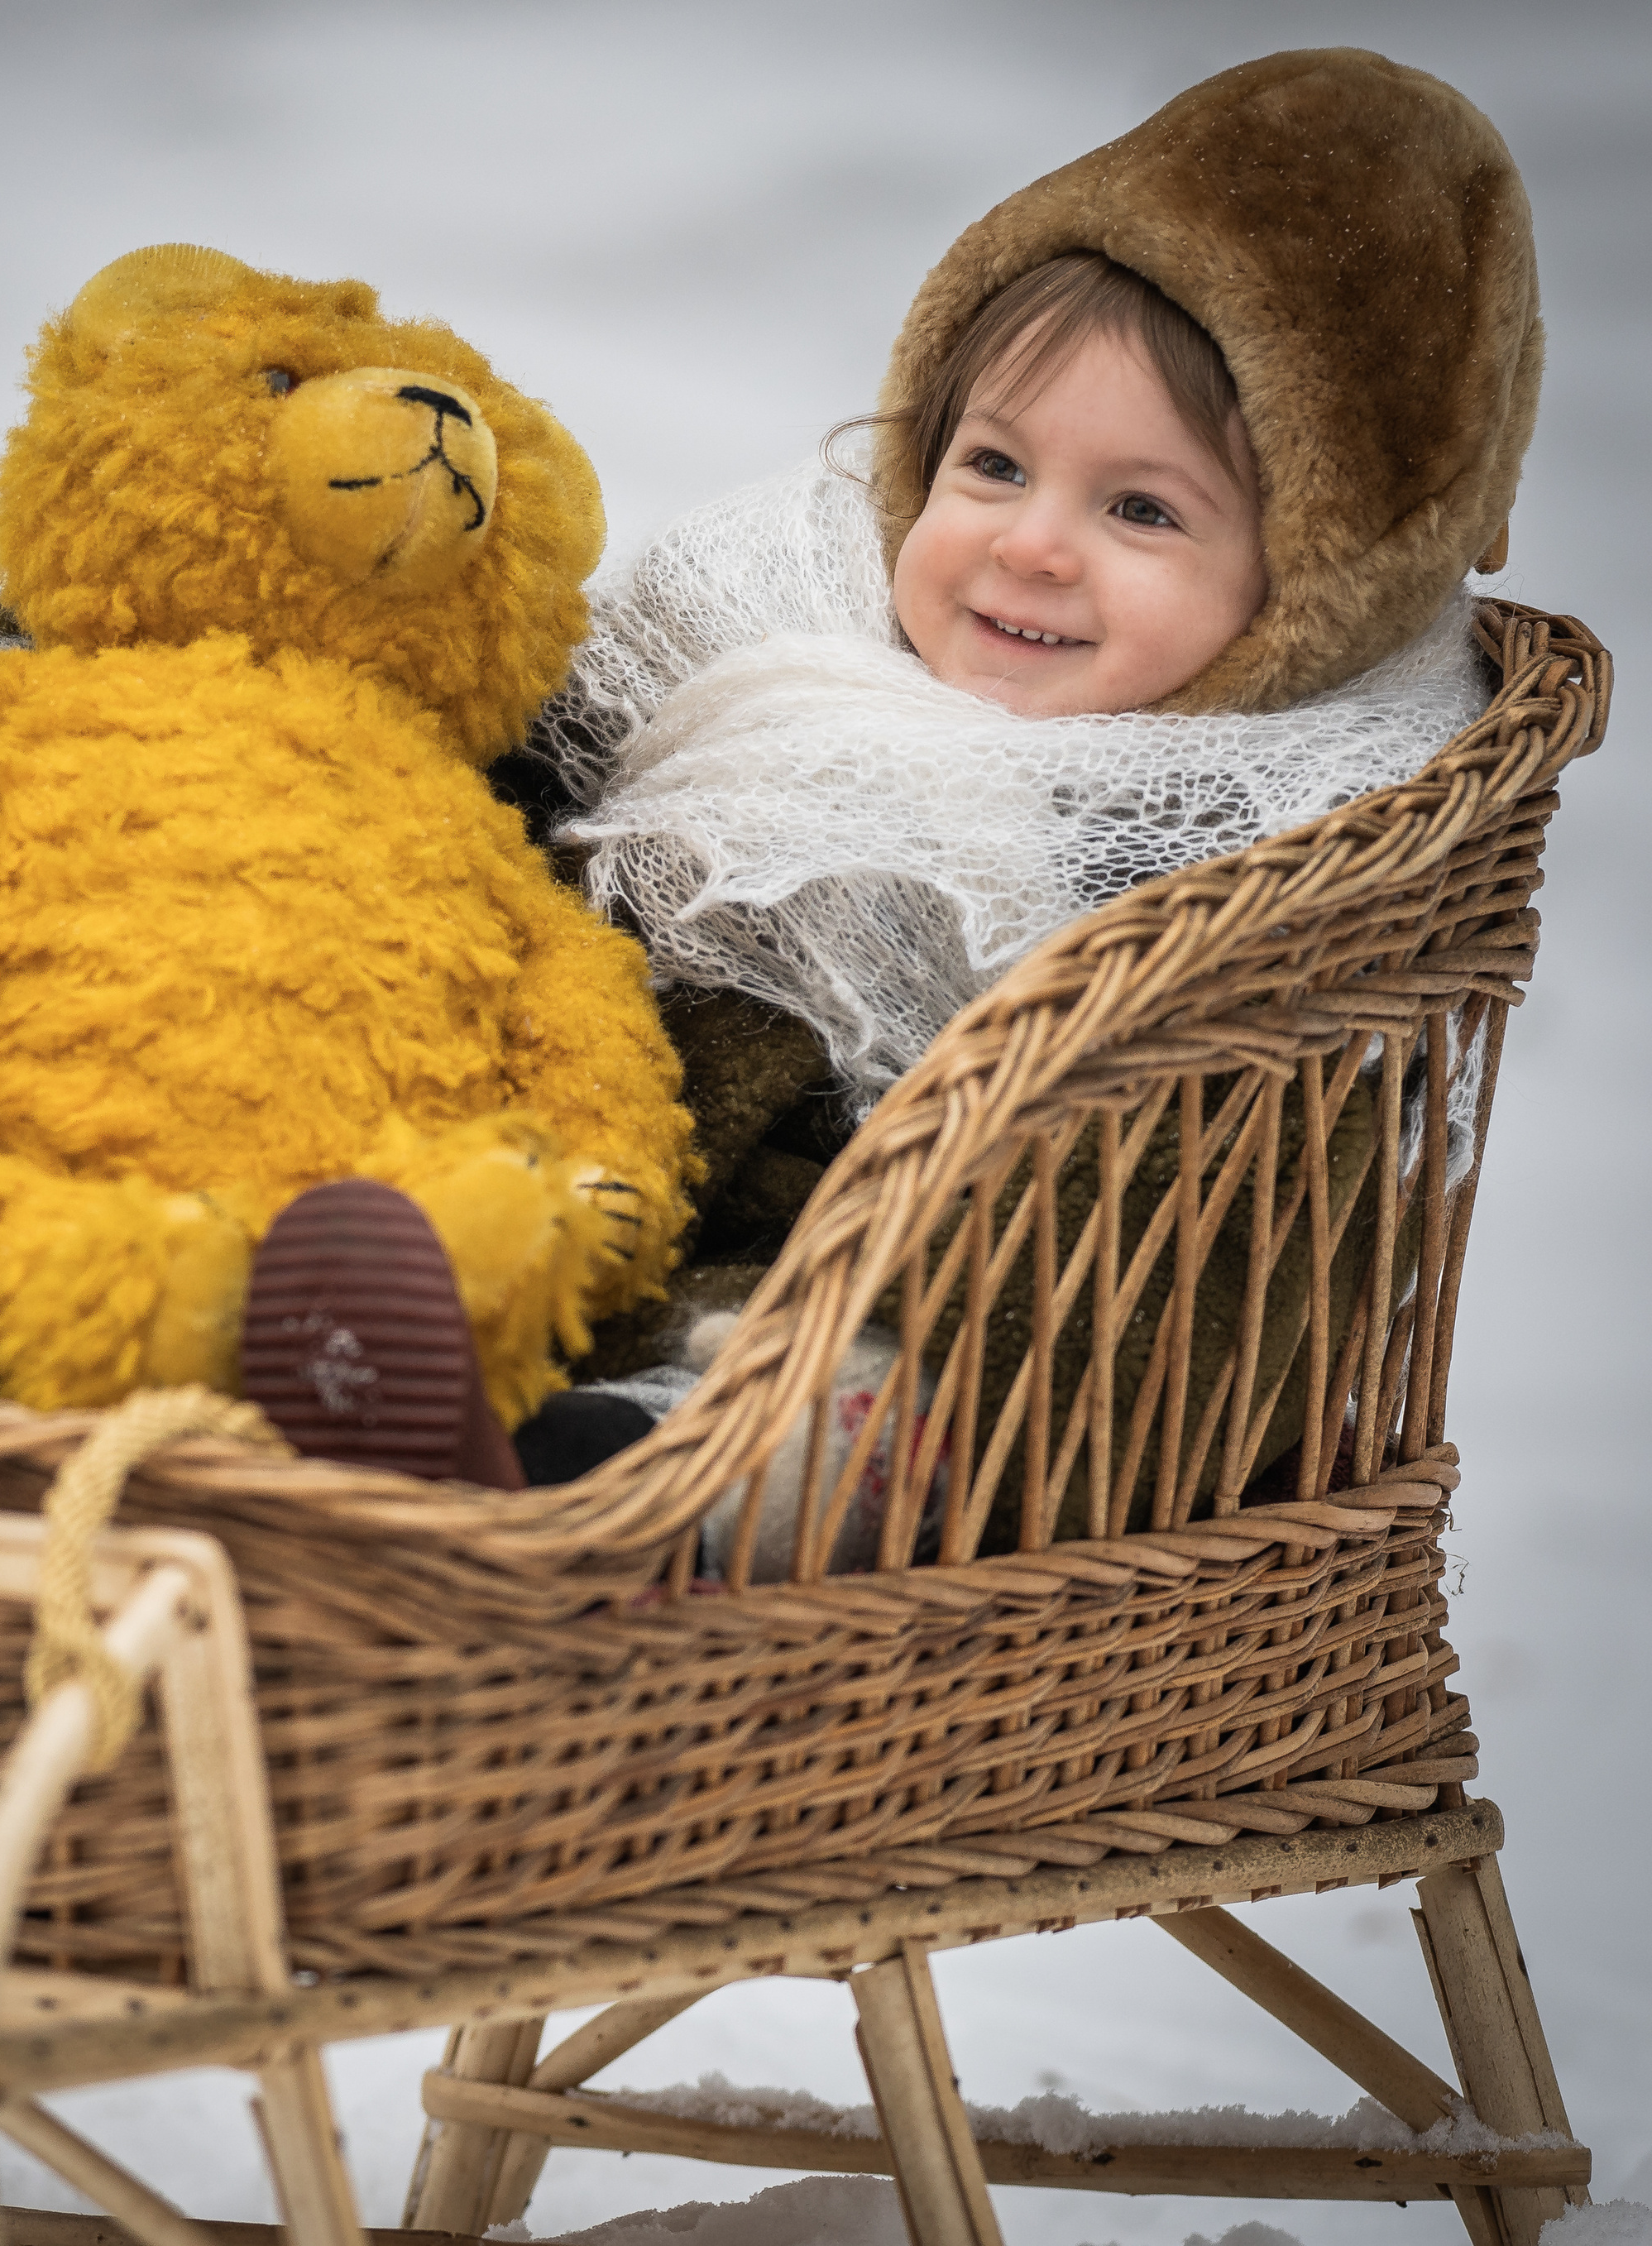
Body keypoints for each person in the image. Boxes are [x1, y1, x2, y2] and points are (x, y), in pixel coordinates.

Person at [503, 45, 1538, 1483]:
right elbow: (549, 764)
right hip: (602, 1213)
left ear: (1301, 598)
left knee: (1157, 1228)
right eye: (992, 466)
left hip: (950, 1357)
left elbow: (1223, 1270)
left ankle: (732, 1468)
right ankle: (372, 1332)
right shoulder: (781, 654)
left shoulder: (1284, 861)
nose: (1033, 544)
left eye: (1141, 510)